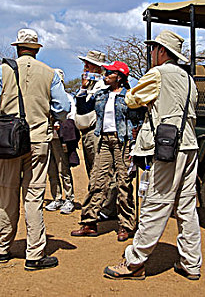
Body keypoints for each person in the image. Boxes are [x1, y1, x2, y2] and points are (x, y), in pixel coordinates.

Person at [103, 30, 201, 281]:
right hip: (189, 144)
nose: (151, 53)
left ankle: (135, 261)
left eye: (154, 48)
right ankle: (191, 263)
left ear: (162, 51)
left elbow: (132, 98)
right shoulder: (188, 78)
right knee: (187, 206)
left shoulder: (158, 74)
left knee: (155, 203)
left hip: (167, 146)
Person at [0, 28, 70, 270]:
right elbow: (63, 107)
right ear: (36, 49)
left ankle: (2, 248)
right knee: (34, 196)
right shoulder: (50, 73)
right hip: (38, 140)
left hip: (7, 142)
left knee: (5, 194)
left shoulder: (2, 71)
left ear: (17, 48)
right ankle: (34, 254)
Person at [71, 61, 136, 242]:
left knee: (123, 183)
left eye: (110, 72)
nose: (105, 74)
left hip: (122, 142)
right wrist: (83, 89)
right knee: (97, 181)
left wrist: (135, 144)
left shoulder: (129, 96)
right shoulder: (101, 95)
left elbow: (137, 120)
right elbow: (84, 108)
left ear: (120, 77)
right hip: (104, 141)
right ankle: (89, 222)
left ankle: (126, 225)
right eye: (106, 72)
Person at [74, 51, 118, 221]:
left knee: (103, 172)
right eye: (85, 64)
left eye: (89, 65)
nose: (85, 67)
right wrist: (84, 88)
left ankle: (108, 208)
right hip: (86, 133)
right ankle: (100, 206)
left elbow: (86, 108)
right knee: (93, 172)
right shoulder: (90, 85)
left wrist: (84, 89)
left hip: (96, 133)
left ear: (98, 68)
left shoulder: (101, 86)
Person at [45, 69, 77, 214]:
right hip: (46, 137)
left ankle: (69, 198)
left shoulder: (67, 98)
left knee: (63, 168)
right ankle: (56, 197)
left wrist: (60, 122)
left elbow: (72, 116)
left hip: (60, 138)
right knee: (51, 170)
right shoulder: (46, 97)